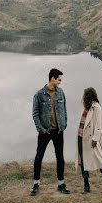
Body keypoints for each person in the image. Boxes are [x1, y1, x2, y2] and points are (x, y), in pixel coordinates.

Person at [30, 67, 70, 195]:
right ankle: (36, 184)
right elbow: (35, 114)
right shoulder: (39, 94)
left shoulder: (61, 92)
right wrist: (41, 129)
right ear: (52, 78)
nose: (60, 82)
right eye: (59, 79)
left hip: (58, 131)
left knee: (60, 158)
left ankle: (61, 184)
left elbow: (64, 109)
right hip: (45, 132)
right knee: (38, 158)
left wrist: (64, 124)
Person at [75, 87, 102, 193]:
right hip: (82, 138)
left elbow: (99, 124)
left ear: (89, 96)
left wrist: (95, 139)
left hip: (91, 140)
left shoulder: (96, 107)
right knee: (83, 162)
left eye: (85, 96)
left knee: (100, 161)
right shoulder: (87, 107)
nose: (83, 98)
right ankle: (86, 185)